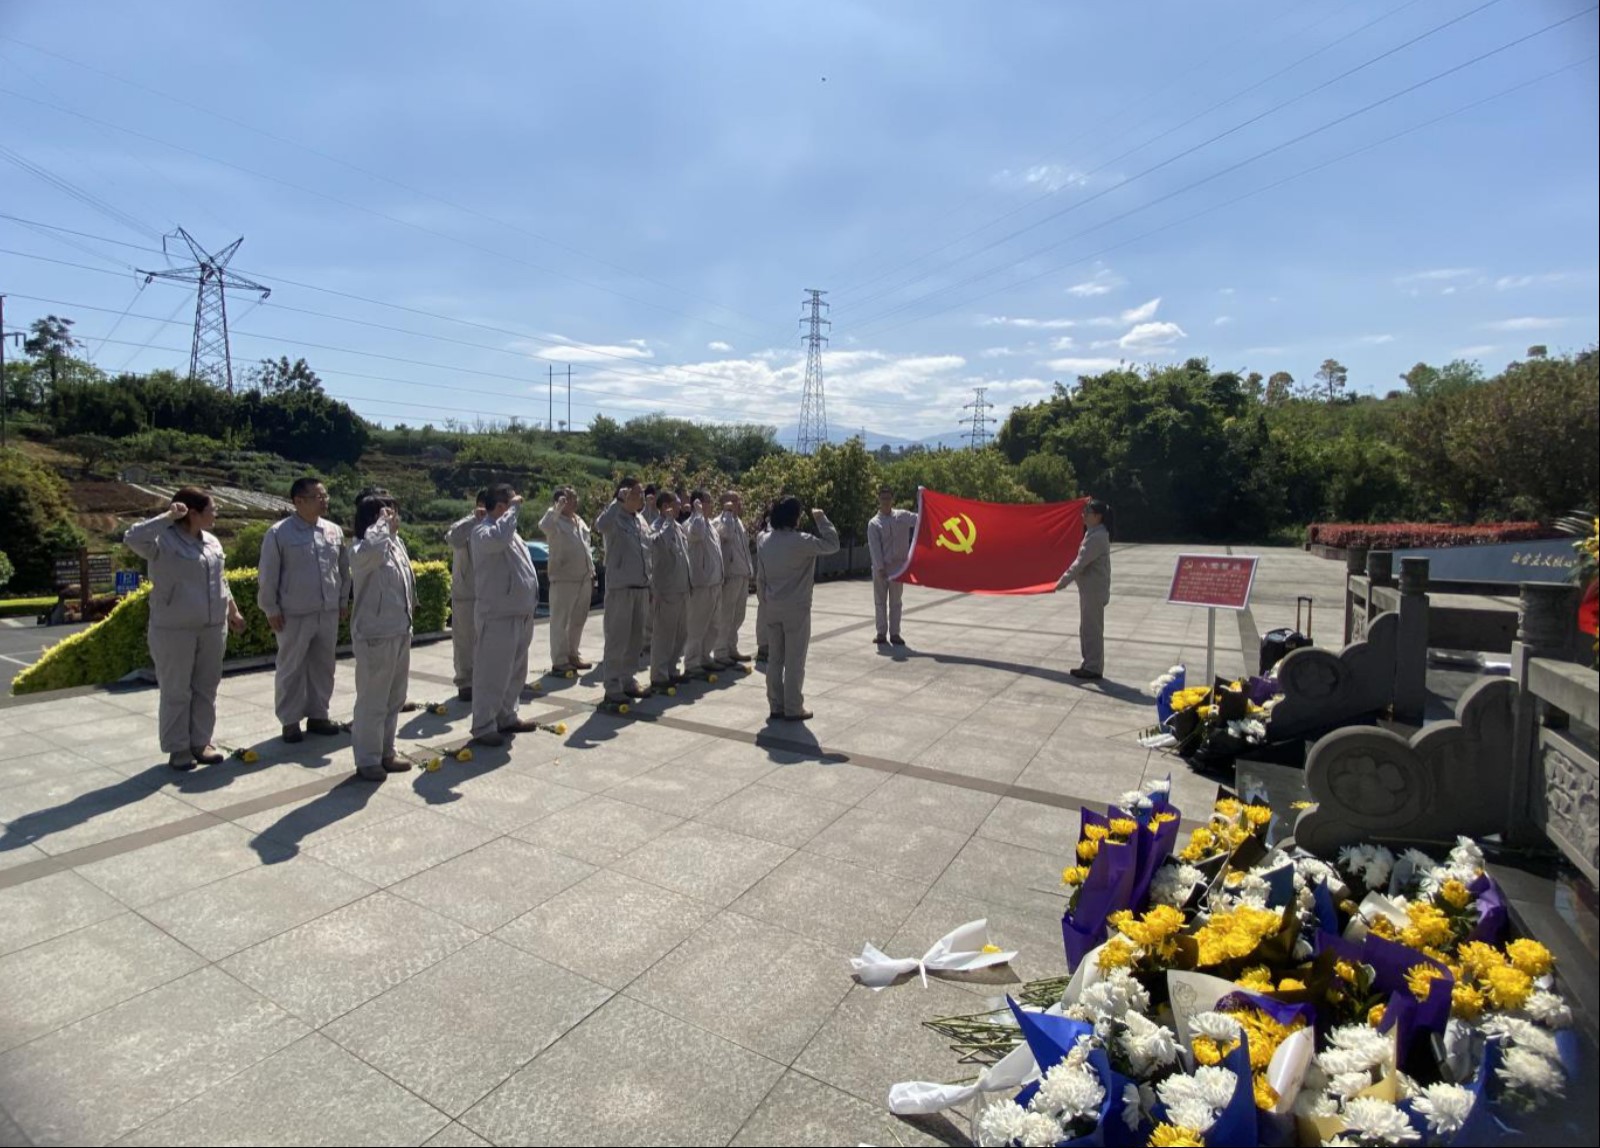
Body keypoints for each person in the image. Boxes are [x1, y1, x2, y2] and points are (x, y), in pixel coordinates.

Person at [124, 490, 247, 770]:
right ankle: (178, 748)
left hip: (213, 627)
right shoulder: (161, 541)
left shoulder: (212, 542)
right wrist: (168, 516)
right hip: (174, 629)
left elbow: (220, 580)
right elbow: (132, 537)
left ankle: (201, 742)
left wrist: (233, 611)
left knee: (206, 687)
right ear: (193, 513)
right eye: (212, 509)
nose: (216, 514)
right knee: (176, 690)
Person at [258, 477, 349, 744]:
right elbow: (268, 574)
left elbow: (343, 571)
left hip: (327, 610)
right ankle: (290, 720)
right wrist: (270, 608)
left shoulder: (333, 531)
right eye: (318, 497)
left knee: (324, 667)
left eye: (325, 496)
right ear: (298, 501)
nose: (324, 501)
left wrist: (342, 601)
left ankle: (319, 714)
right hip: (294, 612)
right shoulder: (279, 533)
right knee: (291, 667)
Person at [468, 483, 543, 746]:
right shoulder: (483, 532)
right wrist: (512, 511)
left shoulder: (511, 534)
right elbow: (497, 539)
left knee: (515, 672)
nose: (517, 507)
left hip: (520, 613)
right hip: (498, 615)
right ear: (501, 507)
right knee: (492, 674)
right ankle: (483, 725)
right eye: (511, 503)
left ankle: (507, 716)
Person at [349, 492, 417, 781]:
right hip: (375, 635)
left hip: (399, 630)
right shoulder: (362, 549)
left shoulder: (395, 544)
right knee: (373, 701)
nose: (394, 519)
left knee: (394, 698)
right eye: (389, 514)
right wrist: (380, 526)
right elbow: (372, 551)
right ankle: (368, 759)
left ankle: (386, 751)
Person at [755, 497, 839, 721]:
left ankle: (775, 705)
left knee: (775, 659)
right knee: (794, 660)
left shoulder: (764, 540)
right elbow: (833, 544)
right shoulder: (801, 541)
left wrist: (765, 602)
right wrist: (821, 519)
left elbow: (760, 578)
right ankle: (793, 707)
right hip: (796, 608)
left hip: (772, 606)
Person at [594, 477, 652, 704]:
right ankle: (612, 685)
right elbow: (600, 525)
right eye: (636, 493)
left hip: (641, 588)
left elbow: (648, 551)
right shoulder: (614, 517)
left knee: (635, 640)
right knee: (617, 639)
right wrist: (617, 502)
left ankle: (628, 679)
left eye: (641, 492)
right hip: (621, 589)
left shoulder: (640, 520)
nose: (640, 497)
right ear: (624, 494)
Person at [1055, 498, 1113, 680]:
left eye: (1087, 513)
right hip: (1089, 589)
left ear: (1098, 516)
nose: (1084, 515)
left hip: (1094, 590)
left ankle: (1093, 668)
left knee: (1091, 629)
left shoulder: (1097, 537)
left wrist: (1061, 582)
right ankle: (1088, 664)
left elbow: (1080, 563)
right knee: (1087, 628)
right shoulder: (1093, 533)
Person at [540, 486, 595, 675]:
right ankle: (560, 660)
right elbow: (544, 526)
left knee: (578, 619)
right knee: (560, 621)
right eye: (570, 498)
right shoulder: (554, 520)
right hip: (563, 578)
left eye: (575, 497)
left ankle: (573, 654)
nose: (575, 501)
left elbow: (585, 546)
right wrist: (557, 508)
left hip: (584, 577)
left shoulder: (579, 521)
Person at [445, 490, 489, 701]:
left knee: (487, 641)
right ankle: (465, 682)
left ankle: (484, 680)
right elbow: (452, 538)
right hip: (466, 594)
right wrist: (474, 520)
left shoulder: (496, 526)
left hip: (488, 594)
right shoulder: (466, 525)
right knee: (464, 641)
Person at [647, 491, 690, 691]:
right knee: (664, 635)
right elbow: (657, 545)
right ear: (665, 506)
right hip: (666, 590)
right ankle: (659, 675)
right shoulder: (656, 527)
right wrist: (667, 523)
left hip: (682, 588)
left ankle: (672, 670)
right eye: (676, 504)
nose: (680, 507)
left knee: (680, 634)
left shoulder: (678, 527)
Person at [867, 486, 918, 647]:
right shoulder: (874, 523)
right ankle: (881, 633)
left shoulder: (902, 516)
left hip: (898, 568)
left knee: (896, 602)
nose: (886, 501)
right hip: (880, 569)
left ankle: (895, 633)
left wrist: (924, 500)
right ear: (879, 500)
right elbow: (874, 547)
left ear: (892, 499)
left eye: (888, 498)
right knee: (880, 601)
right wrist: (880, 568)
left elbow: (920, 519)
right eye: (883, 498)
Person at [683, 490, 726, 675]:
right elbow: (696, 534)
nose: (711, 505)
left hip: (715, 583)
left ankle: (705, 657)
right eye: (708, 501)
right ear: (698, 503)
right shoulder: (691, 524)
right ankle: (692, 663)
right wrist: (698, 513)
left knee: (713, 625)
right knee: (697, 626)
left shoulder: (710, 526)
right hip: (701, 584)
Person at [714, 491, 753, 664]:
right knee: (726, 616)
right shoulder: (719, 521)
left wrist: (749, 570)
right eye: (735, 501)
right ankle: (720, 652)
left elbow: (744, 548)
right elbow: (727, 534)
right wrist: (727, 513)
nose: (739, 504)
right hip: (730, 576)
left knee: (738, 615)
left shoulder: (738, 522)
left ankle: (731, 647)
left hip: (742, 574)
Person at [754, 509, 772, 663]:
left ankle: (772, 646)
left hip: (772, 579)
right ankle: (763, 647)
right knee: (764, 614)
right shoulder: (762, 536)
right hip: (764, 579)